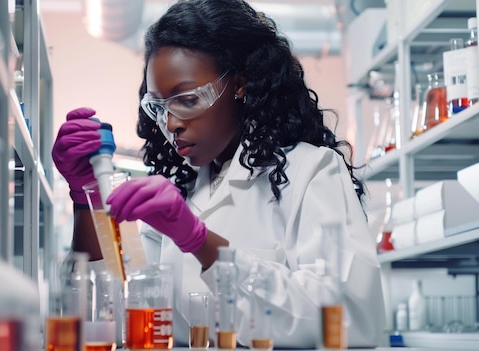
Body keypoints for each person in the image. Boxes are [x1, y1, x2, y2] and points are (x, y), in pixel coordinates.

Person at [52, 0, 385, 348]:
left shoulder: (311, 171)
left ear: (239, 85)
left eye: (188, 99)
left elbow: (350, 319)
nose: (170, 124)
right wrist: (87, 196)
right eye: (159, 107)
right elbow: (112, 315)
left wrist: (200, 242)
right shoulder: (179, 191)